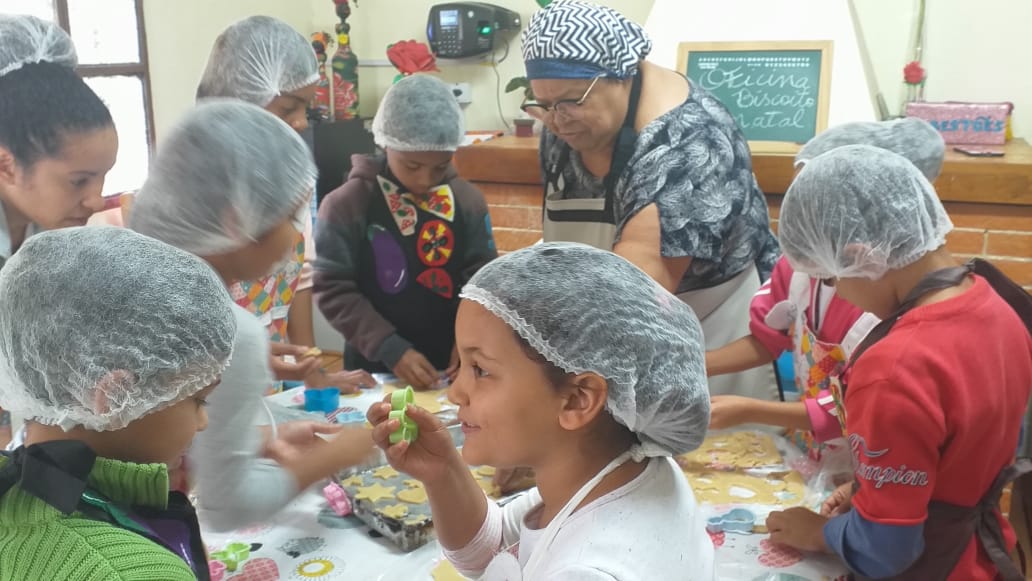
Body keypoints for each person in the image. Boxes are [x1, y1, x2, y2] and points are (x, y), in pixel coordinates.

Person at [367, 242, 714, 579]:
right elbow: (493, 550)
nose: (456, 393)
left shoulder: (589, 570)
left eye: (481, 370)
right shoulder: (612, 471)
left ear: (578, 400)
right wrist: (442, 472)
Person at [765, 146, 1032, 580]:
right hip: (985, 555)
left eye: (831, 279)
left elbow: (885, 551)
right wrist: (871, 487)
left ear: (862, 256)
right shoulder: (997, 304)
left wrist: (820, 532)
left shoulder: (894, 367)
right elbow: (962, 447)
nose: (842, 295)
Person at [129, 101, 374, 531]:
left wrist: (267, 440)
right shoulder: (229, 333)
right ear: (237, 220)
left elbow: (155, 435)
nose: (298, 234)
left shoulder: (131, 283)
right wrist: (338, 454)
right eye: (290, 216)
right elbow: (228, 508)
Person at [519, 0, 780, 401]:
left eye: (571, 101)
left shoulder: (687, 141)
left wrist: (549, 350)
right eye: (545, 104)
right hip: (608, 329)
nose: (557, 120)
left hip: (706, 330)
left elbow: (644, 275)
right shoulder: (563, 123)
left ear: (621, 76)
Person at [0, 226, 236, 580]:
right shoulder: (127, 571)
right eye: (198, 399)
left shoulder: (16, 497)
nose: (202, 422)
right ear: (115, 397)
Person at [705, 119, 944, 461]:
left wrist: (750, 410)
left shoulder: (884, 301)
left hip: (872, 461)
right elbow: (766, 339)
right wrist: (700, 365)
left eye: (816, 205)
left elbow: (852, 405)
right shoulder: (799, 268)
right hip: (812, 451)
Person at [195, 15, 374, 393]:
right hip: (210, 402)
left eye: (304, 111)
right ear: (243, 99)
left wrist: (312, 372)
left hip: (272, 390)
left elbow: (299, 281)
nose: (300, 124)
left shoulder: (293, 181)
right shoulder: (194, 194)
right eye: (288, 109)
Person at [315, 74, 497, 390]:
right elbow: (332, 288)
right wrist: (391, 349)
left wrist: (469, 338)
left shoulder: (468, 202)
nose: (426, 179)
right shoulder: (346, 205)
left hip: (451, 364)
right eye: (412, 166)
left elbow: (482, 281)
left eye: (440, 166)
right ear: (385, 143)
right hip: (374, 366)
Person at [0, 14, 118, 447]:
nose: (96, 200)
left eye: (103, 177)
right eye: (79, 181)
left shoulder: (45, 235)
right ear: (6, 165)